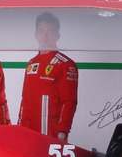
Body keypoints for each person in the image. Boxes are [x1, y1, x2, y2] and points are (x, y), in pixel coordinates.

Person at [18, 12, 78, 140]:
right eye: (41, 31)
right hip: (29, 130)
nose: (45, 36)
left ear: (57, 35)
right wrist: (20, 126)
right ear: (35, 34)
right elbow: (25, 99)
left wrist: (63, 131)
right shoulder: (32, 63)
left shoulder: (65, 64)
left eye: (50, 32)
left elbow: (69, 102)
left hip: (52, 132)